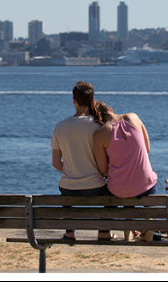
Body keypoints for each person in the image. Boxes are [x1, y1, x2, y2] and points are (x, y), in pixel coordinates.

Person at [50, 81, 114, 240]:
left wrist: (74, 171)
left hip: (68, 187)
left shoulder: (60, 126)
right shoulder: (100, 126)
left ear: (74, 100)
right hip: (95, 187)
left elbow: (56, 163)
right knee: (111, 194)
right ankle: (104, 232)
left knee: (65, 187)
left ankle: (70, 232)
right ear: (93, 100)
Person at [92, 101, 159, 241]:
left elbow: (103, 170)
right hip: (144, 186)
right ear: (110, 109)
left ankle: (128, 226)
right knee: (144, 183)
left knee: (119, 187)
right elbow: (147, 149)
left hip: (119, 190)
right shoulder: (133, 117)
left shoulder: (99, 134)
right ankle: (147, 227)